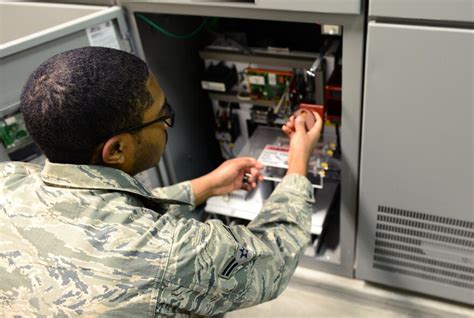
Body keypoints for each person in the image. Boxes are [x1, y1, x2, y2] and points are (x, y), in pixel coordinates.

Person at [0, 47, 322, 317]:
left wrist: (202, 187)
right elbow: (275, 257)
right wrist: (297, 161)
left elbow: (102, 212)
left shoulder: (8, 180)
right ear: (117, 149)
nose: (168, 121)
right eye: (162, 114)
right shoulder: (174, 254)